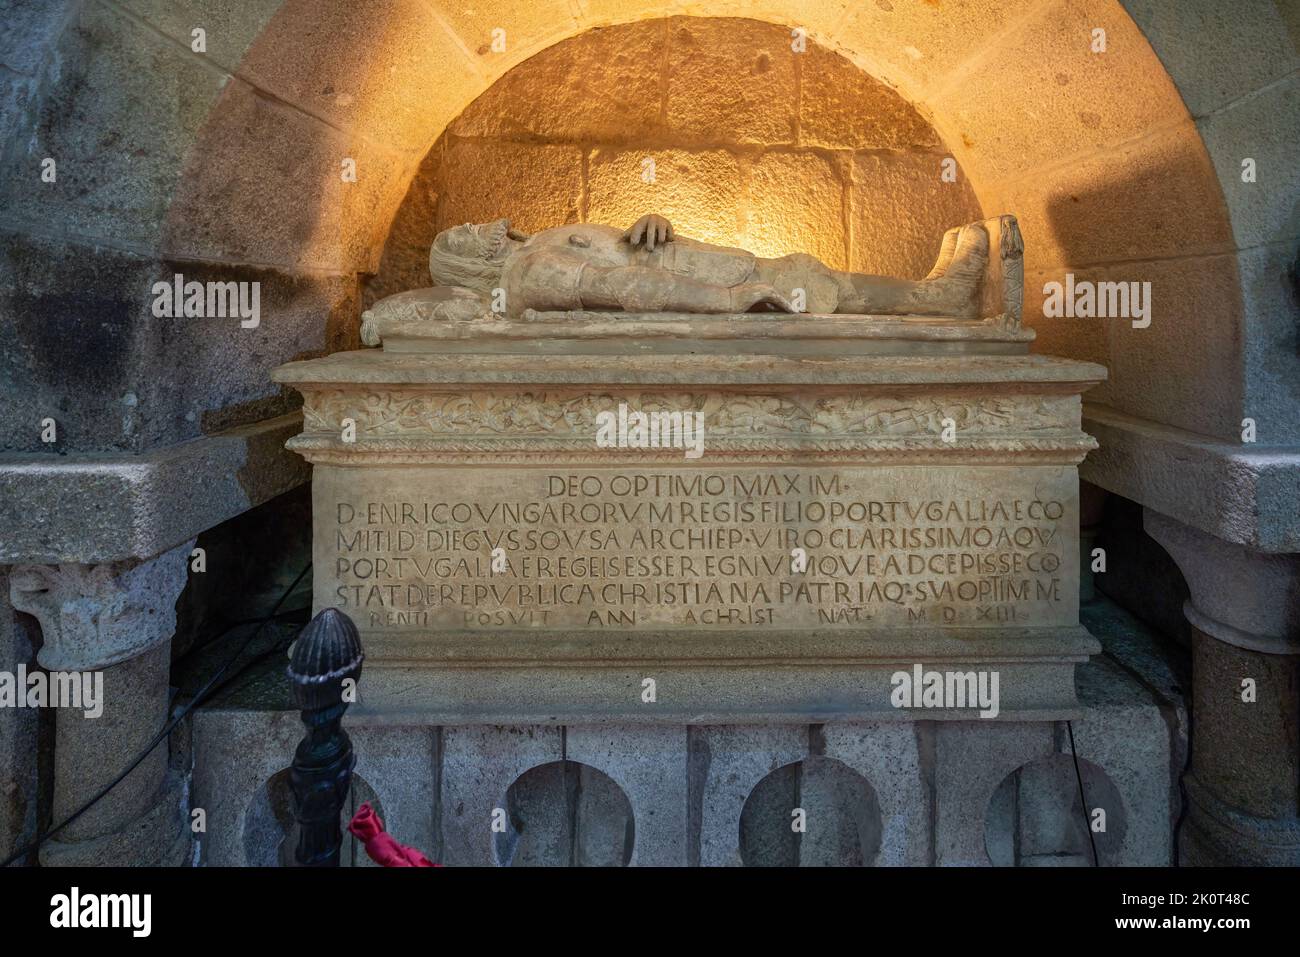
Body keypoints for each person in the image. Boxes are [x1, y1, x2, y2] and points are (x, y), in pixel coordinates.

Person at [427, 212, 1011, 319]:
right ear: (466, 262)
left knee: (805, 274)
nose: (481, 226)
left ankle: (932, 294)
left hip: (697, 264)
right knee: (812, 284)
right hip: (705, 285)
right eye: (464, 234)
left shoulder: (533, 250)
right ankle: (940, 299)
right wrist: (728, 302)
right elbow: (623, 286)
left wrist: (650, 217)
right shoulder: (526, 271)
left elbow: (618, 255)